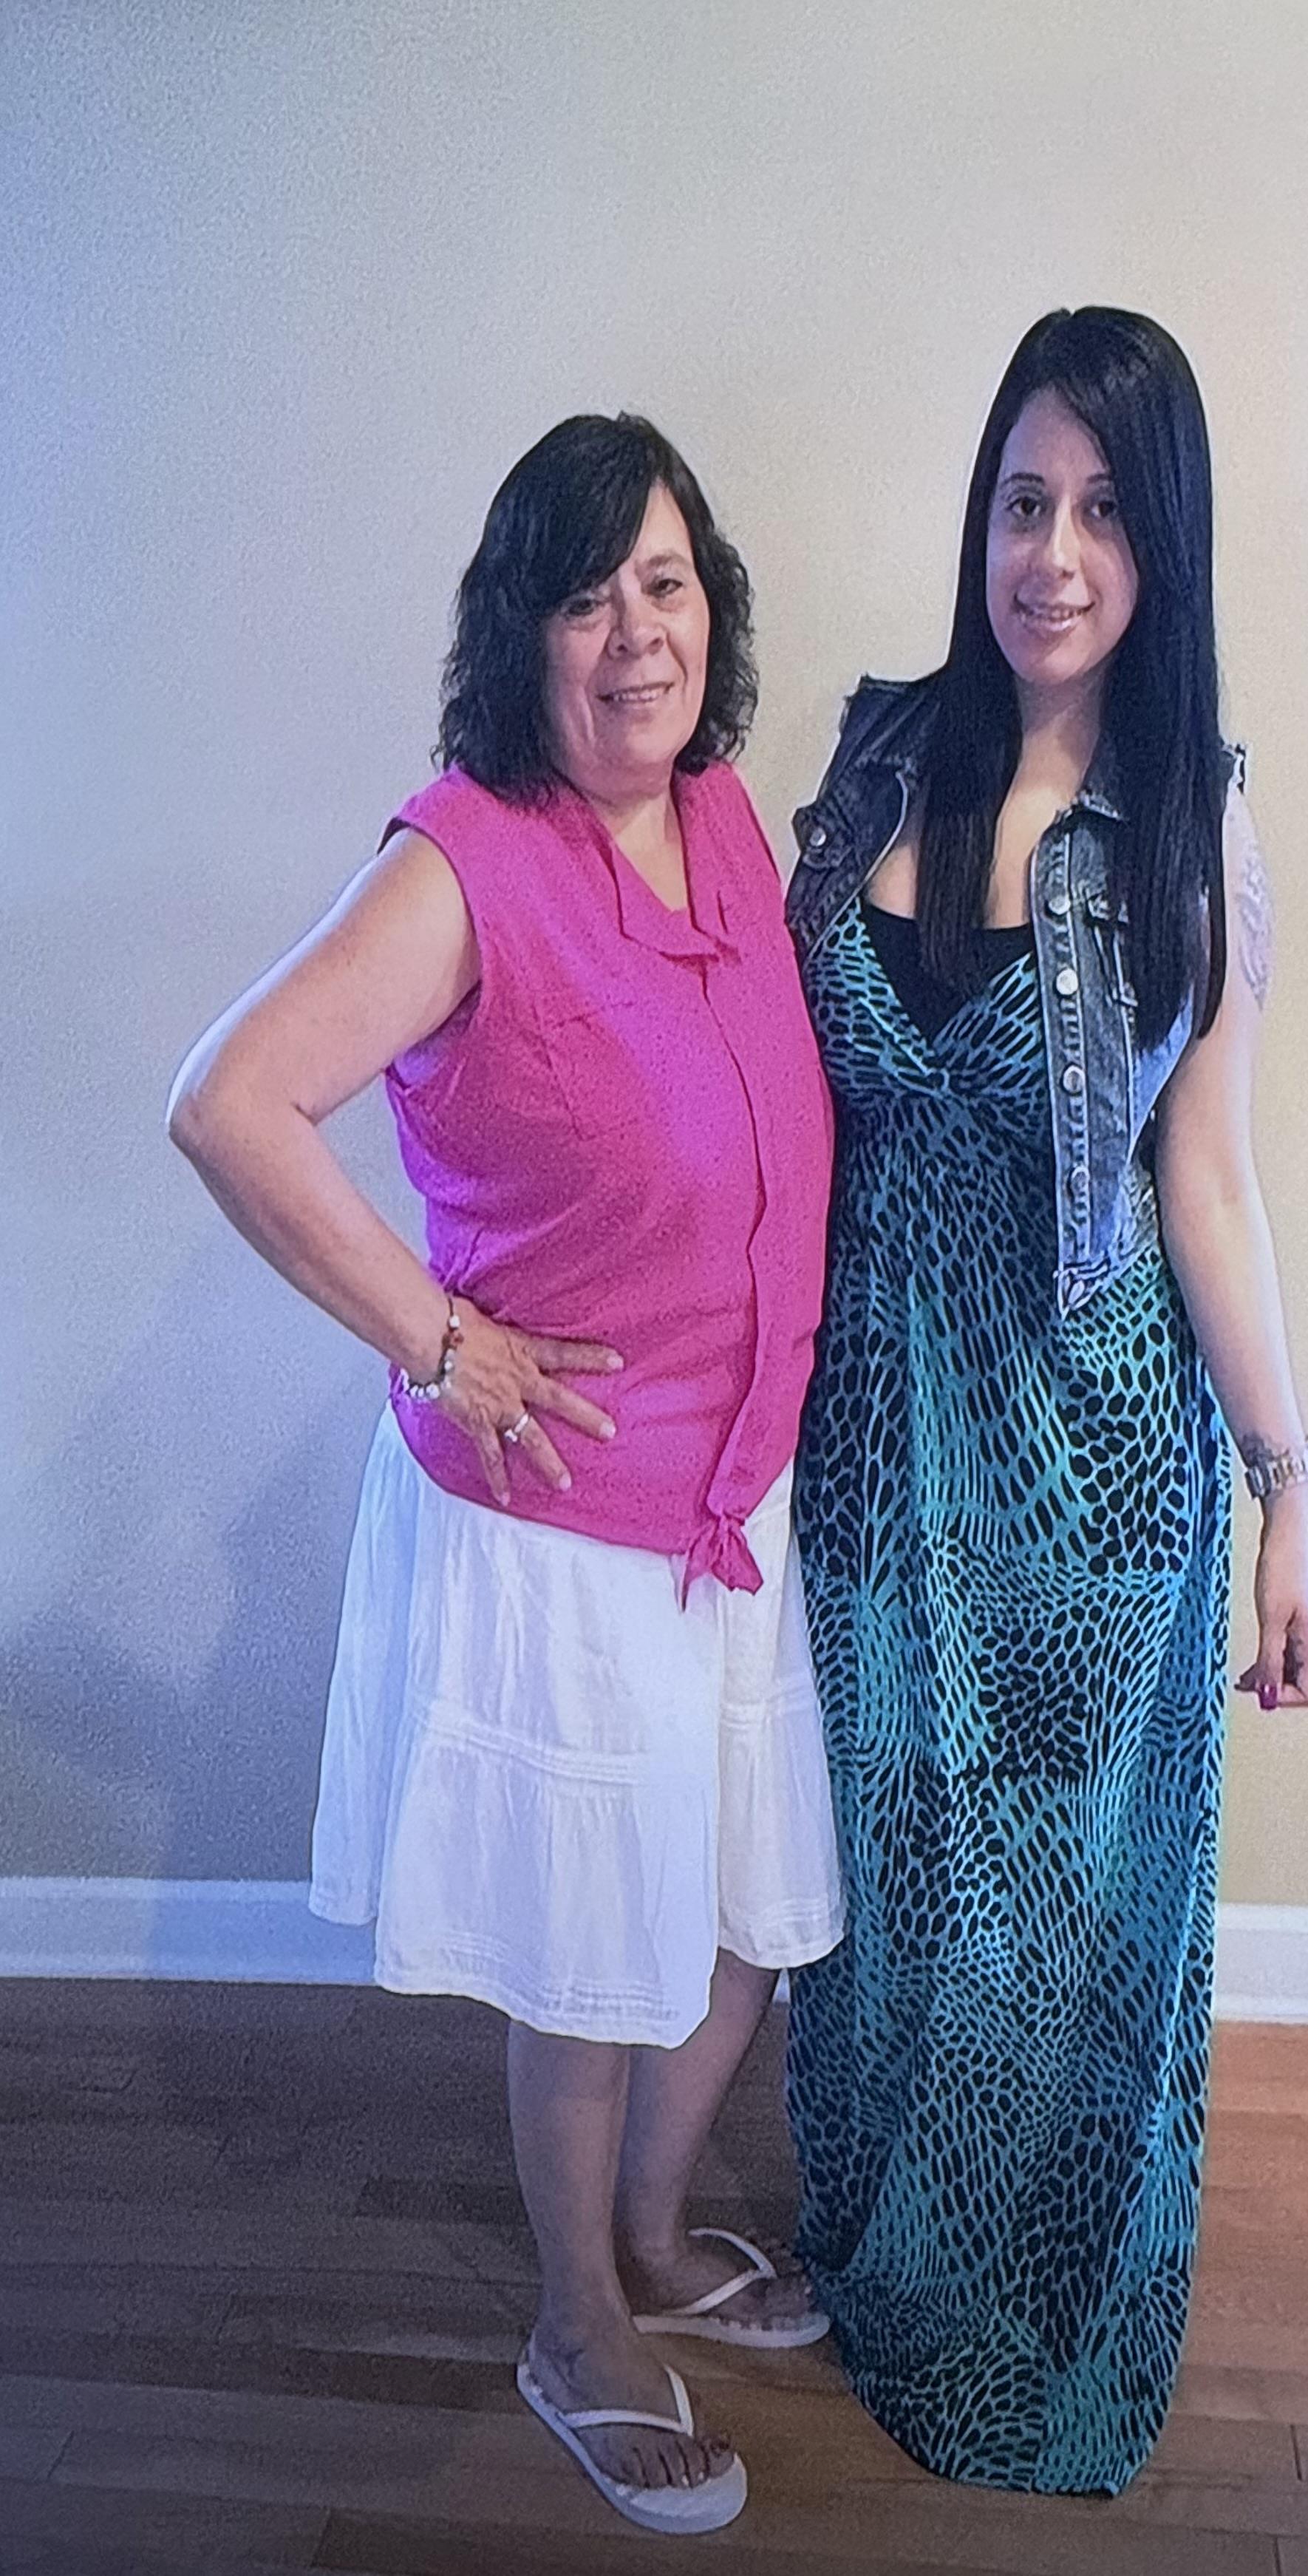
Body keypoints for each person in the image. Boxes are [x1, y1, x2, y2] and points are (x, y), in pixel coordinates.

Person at [167, 414, 840, 2535]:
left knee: (738, 1928)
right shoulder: (466, 858)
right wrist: (441, 1342)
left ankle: (649, 2242)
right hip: (562, 1528)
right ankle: (577, 2321)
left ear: (706, 602)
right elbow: (234, 1100)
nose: (633, 632)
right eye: (583, 595)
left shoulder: (723, 817)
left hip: (738, 1505)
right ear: (522, 635)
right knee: (588, 1957)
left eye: (661, 580)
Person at [782, 307, 1308, 2495]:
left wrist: (1296, 1499)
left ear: (1162, 547)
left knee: (1064, 1922)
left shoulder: (1191, 835)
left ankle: (1039, 2324)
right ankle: (894, 2270)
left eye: (1105, 510)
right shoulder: (877, 756)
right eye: (1025, 500)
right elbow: (761, 1071)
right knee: (897, 1886)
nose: (1056, 552)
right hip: (862, 1448)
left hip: (1090, 1479)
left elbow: (1205, 1178)